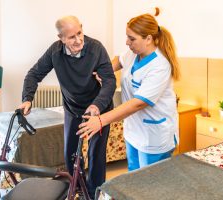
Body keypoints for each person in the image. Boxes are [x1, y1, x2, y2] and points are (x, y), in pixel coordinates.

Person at [19, 15, 116, 198]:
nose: (78, 40)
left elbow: (109, 81)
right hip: (73, 108)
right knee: (70, 151)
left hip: (98, 109)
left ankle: (95, 192)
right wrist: (27, 98)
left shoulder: (96, 48)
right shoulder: (55, 52)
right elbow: (33, 74)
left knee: (96, 154)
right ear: (61, 38)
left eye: (79, 33)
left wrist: (96, 105)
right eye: (72, 37)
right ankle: (76, 187)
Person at [77, 13, 180, 171]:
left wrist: (101, 120)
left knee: (149, 185)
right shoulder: (133, 53)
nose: (127, 42)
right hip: (133, 130)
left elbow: (138, 103)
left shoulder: (160, 66)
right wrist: (105, 71)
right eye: (127, 37)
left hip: (154, 135)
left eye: (132, 39)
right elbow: (119, 60)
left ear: (148, 38)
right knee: (132, 178)